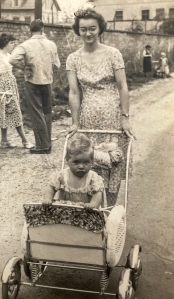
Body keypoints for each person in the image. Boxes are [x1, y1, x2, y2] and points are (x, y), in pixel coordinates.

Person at [66, 6, 134, 206]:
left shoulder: (113, 54)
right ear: (78, 30)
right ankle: (93, 209)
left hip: (112, 118)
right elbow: (74, 92)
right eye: (84, 29)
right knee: (88, 162)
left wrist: (125, 118)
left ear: (100, 29)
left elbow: (123, 86)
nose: (88, 33)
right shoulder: (73, 58)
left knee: (113, 162)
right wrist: (75, 123)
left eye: (92, 28)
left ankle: (110, 210)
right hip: (88, 118)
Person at [9, 19, 60, 154]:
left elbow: (12, 59)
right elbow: (57, 64)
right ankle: (47, 142)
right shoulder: (51, 44)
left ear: (30, 30)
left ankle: (43, 146)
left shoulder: (26, 45)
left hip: (32, 82)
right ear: (42, 29)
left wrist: (24, 66)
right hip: (47, 82)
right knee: (47, 112)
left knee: (36, 112)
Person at [0, 33, 33, 149]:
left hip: (11, 84)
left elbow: (18, 65)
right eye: (11, 43)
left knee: (13, 110)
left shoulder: (9, 55)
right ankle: (25, 141)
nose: (13, 45)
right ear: (5, 44)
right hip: (2, 85)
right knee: (4, 112)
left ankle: (4, 141)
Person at [42, 133, 104, 209]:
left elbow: (98, 194)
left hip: (86, 212)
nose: (81, 166)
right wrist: (48, 199)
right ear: (67, 160)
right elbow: (50, 187)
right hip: (64, 210)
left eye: (86, 162)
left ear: (92, 161)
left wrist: (93, 204)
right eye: (76, 162)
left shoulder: (93, 177)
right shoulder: (62, 175)